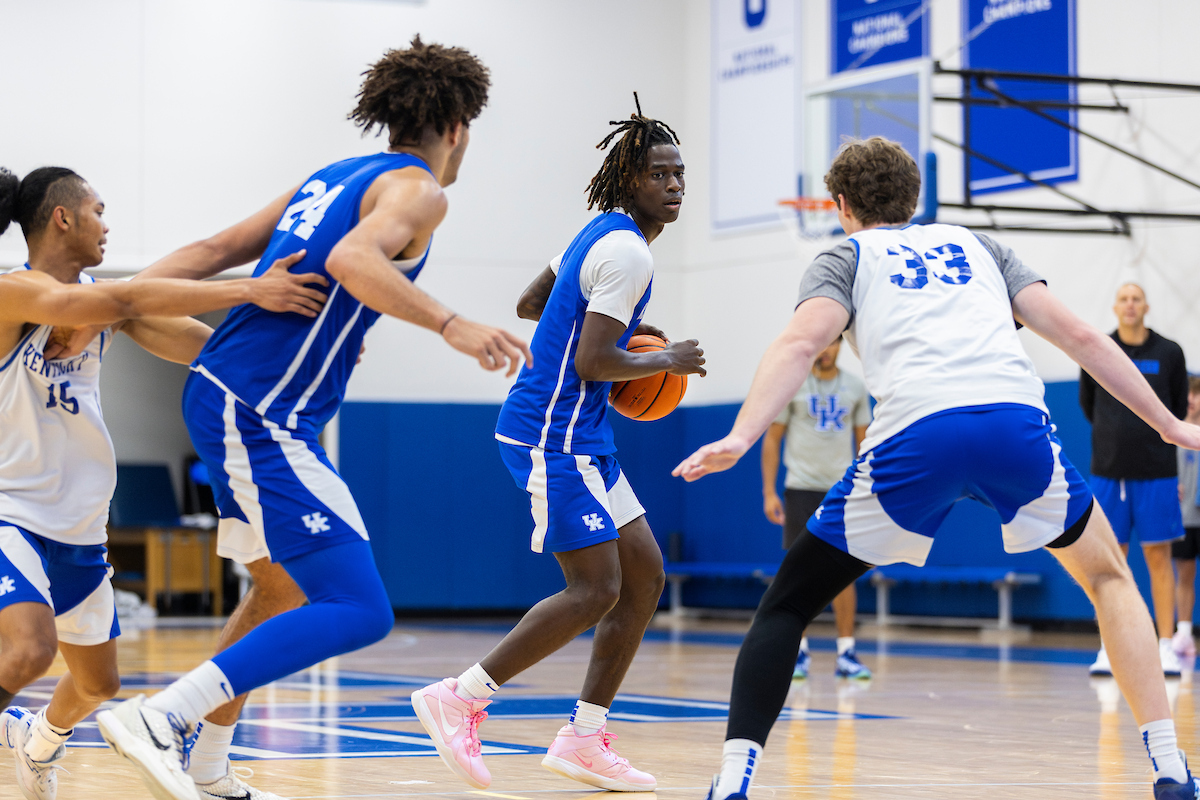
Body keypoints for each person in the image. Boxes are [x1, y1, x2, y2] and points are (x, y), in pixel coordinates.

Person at [672, 136, 1200, 800]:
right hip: (1015, 428)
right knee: (1110, 578)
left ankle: (734, 780)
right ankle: (1171, 765)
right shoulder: (979, 246)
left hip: (918, 436)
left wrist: (742, 434)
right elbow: (1084, 339)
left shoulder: (845, 255)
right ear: (914, 199)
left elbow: (803, 341)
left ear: (840, 205)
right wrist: (1170, 423)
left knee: (787, 605)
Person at [93, 37, 533, 800]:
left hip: (239, 396)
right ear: (458, 125)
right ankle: (163, 716)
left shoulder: (329, 177)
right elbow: (353, 262)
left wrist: (116, 304)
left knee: (278, 593)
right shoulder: (421, 190)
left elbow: (207, 250)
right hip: (262, 410)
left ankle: (207, 765)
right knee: (359, 607)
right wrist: (452, 324)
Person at [0, 165, 326, 800]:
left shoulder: (102, 302)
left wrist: (302, 355)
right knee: (29, 652)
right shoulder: (12, 291)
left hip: (81, 528)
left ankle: (34, 740)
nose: (107, 222)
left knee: (97, 685)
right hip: (10, 511)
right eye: (98, 208)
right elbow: (123, 300)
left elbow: (201, 349)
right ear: (63, 216)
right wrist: (253, 289)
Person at [410, 97, 705, 793]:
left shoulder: (597, 236)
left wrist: (601, 317)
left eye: (680, 174)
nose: (674, 185)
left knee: (645, 574)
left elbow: (532, 301)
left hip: (584, 434)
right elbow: (592, 364)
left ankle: (584, 737)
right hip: (554, 432)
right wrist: (664, 360)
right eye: (660, 174)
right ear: (628, 178)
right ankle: (462, 697)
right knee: (596, 587)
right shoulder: (626, 250)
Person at [1081, 282, 1189, 678]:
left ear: (1146, 306)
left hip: (1157, 472)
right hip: (1109, 473)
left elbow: (1177, 407)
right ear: (1115, 307)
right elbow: (1089, 404)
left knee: (1159, 559)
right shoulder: (1096, 348)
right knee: (1112, 562)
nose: (1130, 305)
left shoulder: (1169, 352)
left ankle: (1165, 647)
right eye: (1123, 298)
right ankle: (1110, 651)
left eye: (1136, 298)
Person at [761, 335, 871, 680]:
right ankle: (798, 652)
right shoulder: (793, 383)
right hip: (800, 489)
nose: (826, 351)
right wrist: (769, 492)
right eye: (821, 344)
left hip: (841, 490)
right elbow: (772, 439)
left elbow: (865, 442)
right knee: (798, 572)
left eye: (832, 344)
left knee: (844, 572)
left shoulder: (855, 387)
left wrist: (865, 488)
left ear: (841, 346)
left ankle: (847, 652)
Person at [1172, 375, 1200, 662]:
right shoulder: (1174, 431)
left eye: (1197, 393)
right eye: (1188, 393)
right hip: (1185, 517)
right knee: (1185, 575)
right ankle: (1184, 632)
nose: (1192, 398)